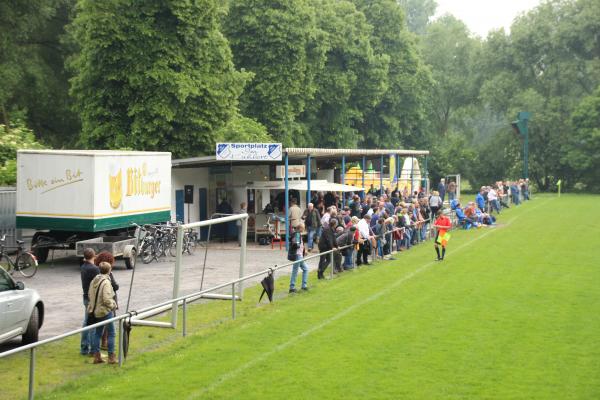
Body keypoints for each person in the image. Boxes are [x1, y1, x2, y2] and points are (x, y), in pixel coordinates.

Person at [87, 261, 117, 364]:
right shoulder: (106, 282)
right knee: (112, 333)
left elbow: (89, 294)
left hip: (95, 311)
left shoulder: (94, 280)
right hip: (104, 311)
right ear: (109, 270)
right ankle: (111, 356)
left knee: (97, 333)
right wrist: (113, 305)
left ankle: (96, 356)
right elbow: (106, 299)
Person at [94, 251, 119, 352]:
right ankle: (107, 348)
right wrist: (113, 305)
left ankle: (96, 352)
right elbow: (115, 286)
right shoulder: (107, 275)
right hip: (107, 305)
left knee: (98, 330)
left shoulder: (96, 275)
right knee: (111, 330)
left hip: (98, 304)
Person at [80, 248, 99, 356]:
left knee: (86, 322)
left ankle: (84, 347)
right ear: (94, 256)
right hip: (92, 299)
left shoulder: (83, 267)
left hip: (85, 297)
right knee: (92, 324)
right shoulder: (94, 269)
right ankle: (92, 349)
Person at [289, 224, 308, 293]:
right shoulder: (297, 234)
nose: (304, 229)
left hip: (299, 255)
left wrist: (304, 250)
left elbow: (300, 244)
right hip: (297, 255)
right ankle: (292, 287)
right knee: (295, 271)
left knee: (305, 269)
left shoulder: (297, 234)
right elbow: (296, 244)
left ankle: (304, 285)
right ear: (300, 228)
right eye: (303, 228)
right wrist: (298, 245)